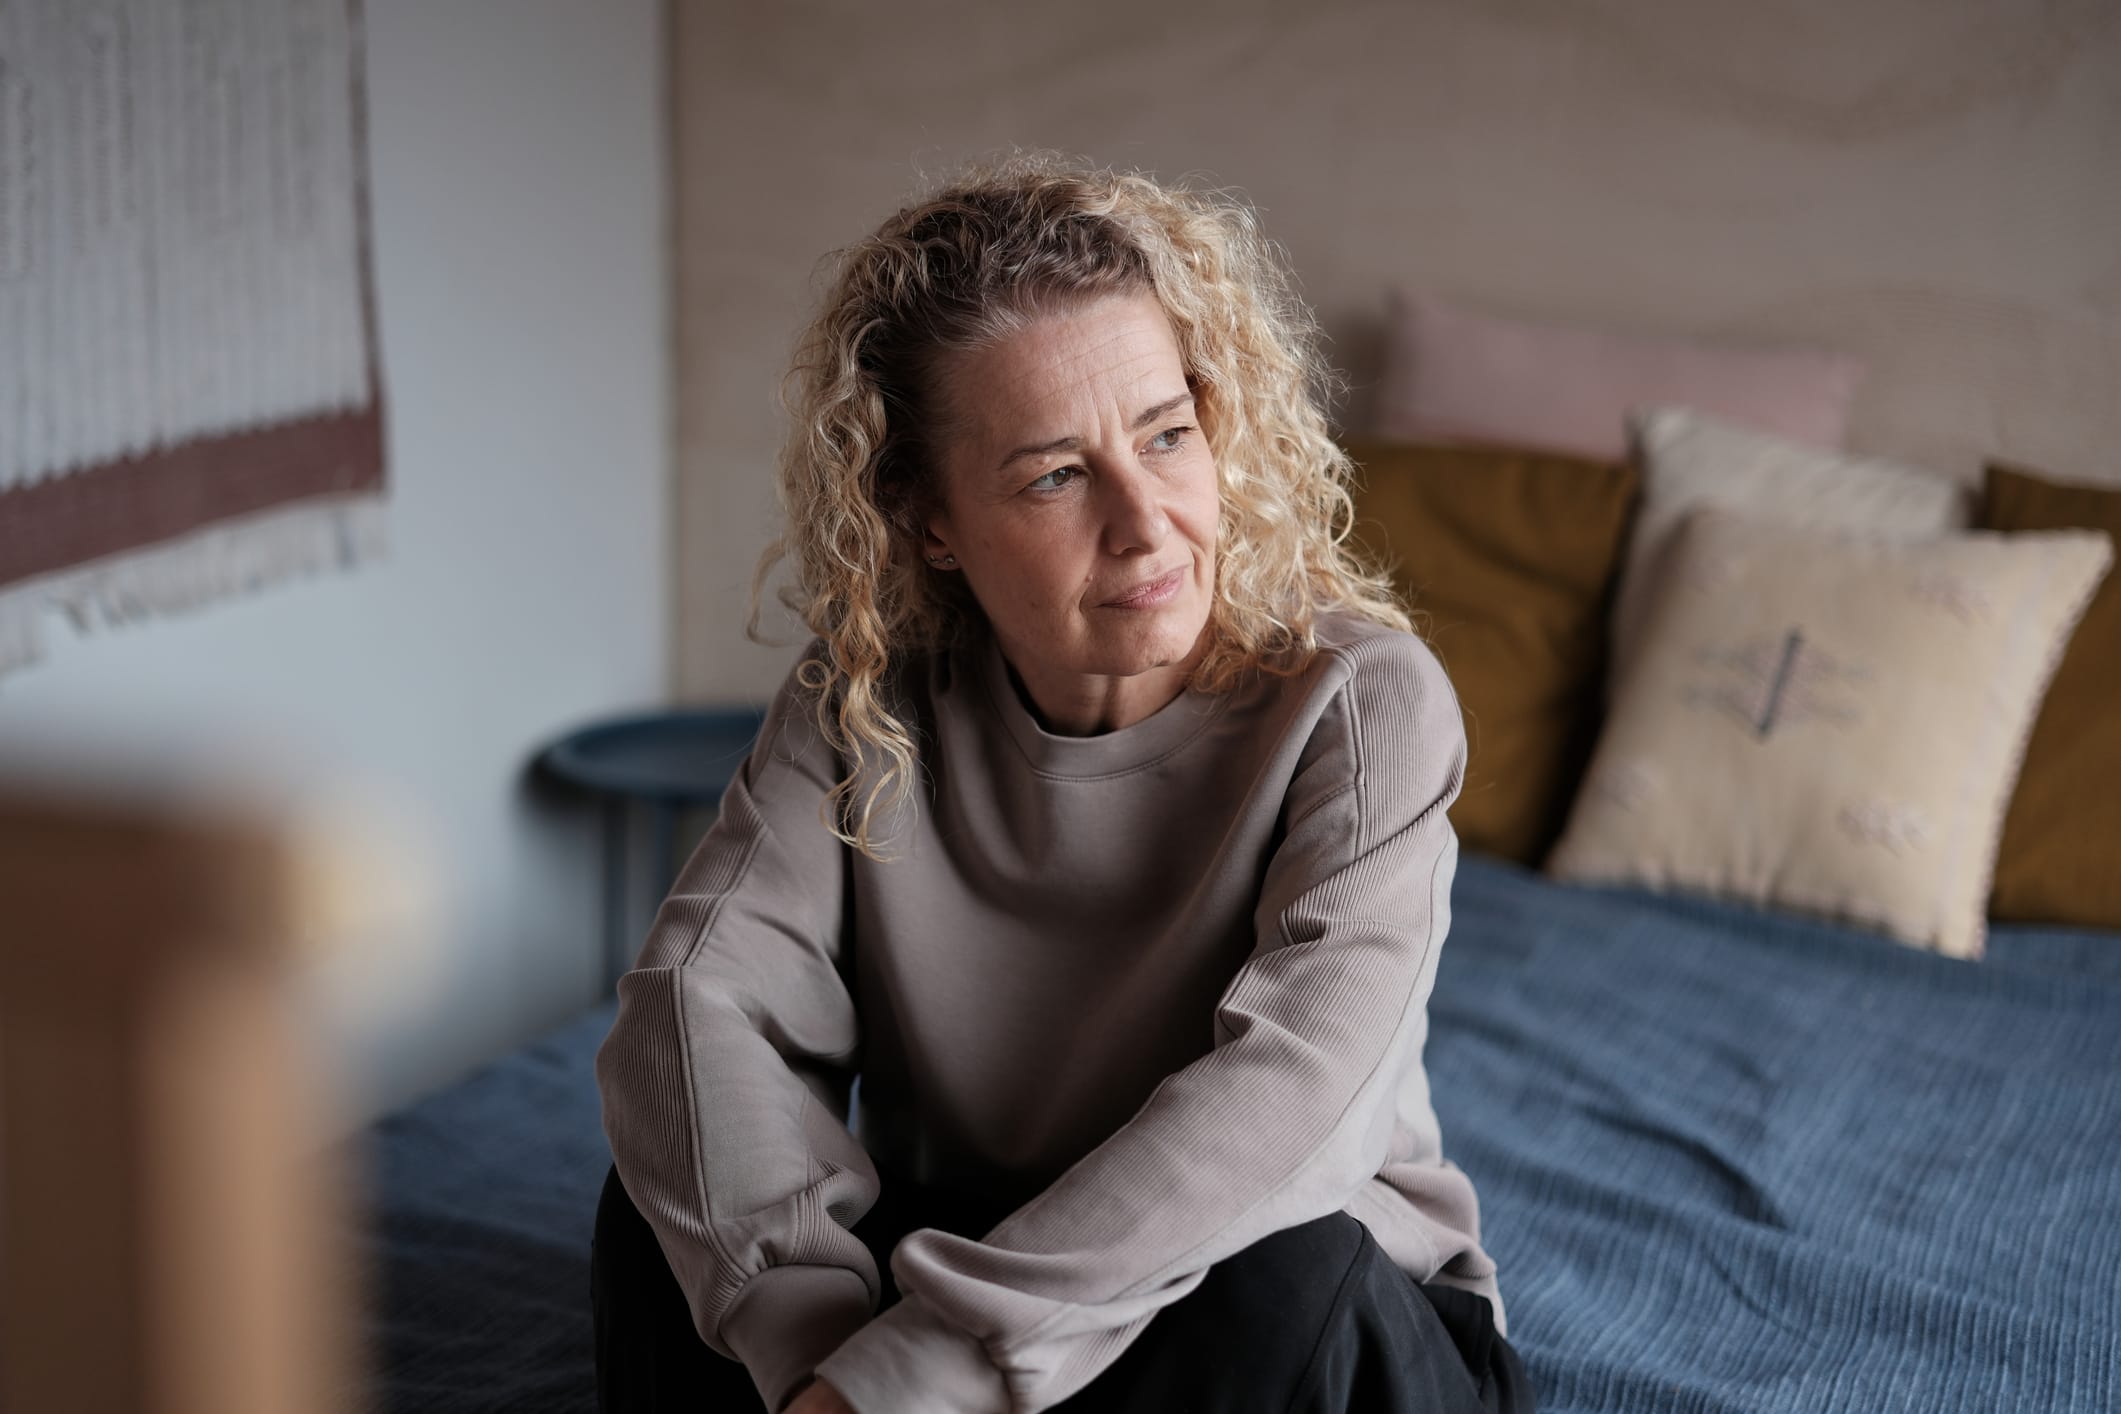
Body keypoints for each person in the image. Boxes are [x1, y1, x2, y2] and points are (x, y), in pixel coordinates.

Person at [590, 152, 1534, 1414]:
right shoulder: (865, 702)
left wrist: (908, 1379)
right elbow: (693, 1007)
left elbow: (1295, 1100)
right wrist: (823, 1357)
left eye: (1168, 434)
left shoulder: (1360, 701)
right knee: (664, 1215)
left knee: (1276, 1274)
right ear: (929, 520)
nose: (1146, 522)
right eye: (1055, 474)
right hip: (970, 1274)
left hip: (1282, 1306)